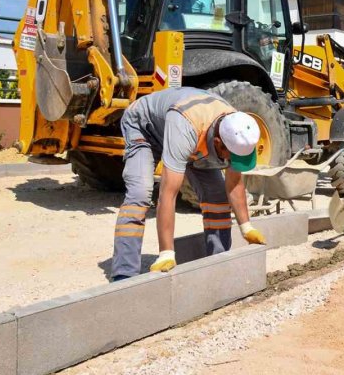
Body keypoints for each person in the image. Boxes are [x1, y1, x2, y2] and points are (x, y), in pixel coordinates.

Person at [111, 87, 266, 281]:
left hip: (194, 137)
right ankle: (124, 275)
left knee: (217, 198)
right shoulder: (186, 127)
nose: (233, 162)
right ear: (218, 143)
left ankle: (218, 263)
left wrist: (246, 227)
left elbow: (234, 183)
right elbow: (168, 193)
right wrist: (166, 253)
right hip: (144, 127)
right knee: (140, 193)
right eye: (231, 157)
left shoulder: (237, 128)